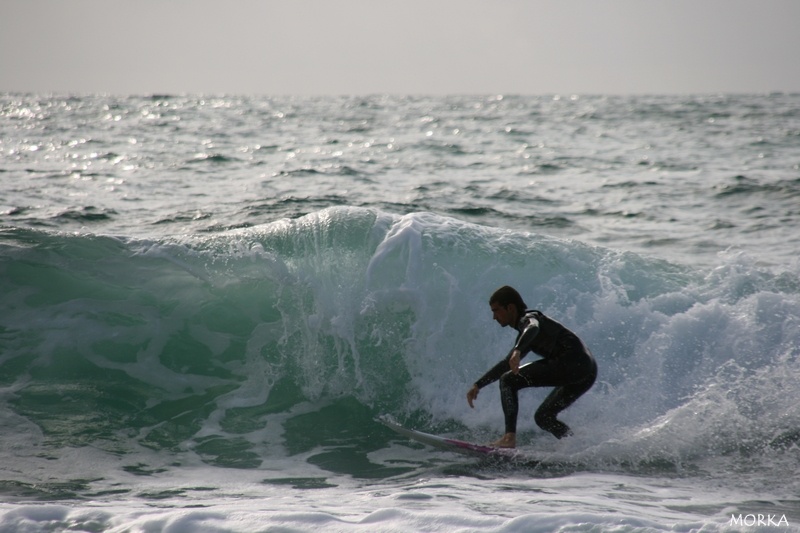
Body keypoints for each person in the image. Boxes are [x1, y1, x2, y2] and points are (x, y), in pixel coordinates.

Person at [466, 286, 597, 448]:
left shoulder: (529, 319)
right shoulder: (526, 334)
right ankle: (577, 446)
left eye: (496, 310)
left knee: (508, 380)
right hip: (588, 370)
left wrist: (518, 350)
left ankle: (509, 438)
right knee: (544, 417)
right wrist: (478, 384)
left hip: (572, 362)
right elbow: (508, 363)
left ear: (511, 308)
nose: (494, 317)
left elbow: (533, 327)